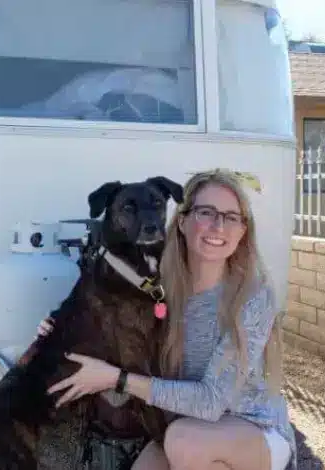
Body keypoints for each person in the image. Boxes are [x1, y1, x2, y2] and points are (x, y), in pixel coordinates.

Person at [39, 169, 297, 470]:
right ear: (183, 221)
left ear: (243, 231)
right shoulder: (159, 288)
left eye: (231, 217)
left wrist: (117, 379)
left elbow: (212, 401)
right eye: (206, 212)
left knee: (182, 442)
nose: (218, 226)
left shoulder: (251, 297)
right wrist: (62, 328)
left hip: (253, 429)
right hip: (186, 424)